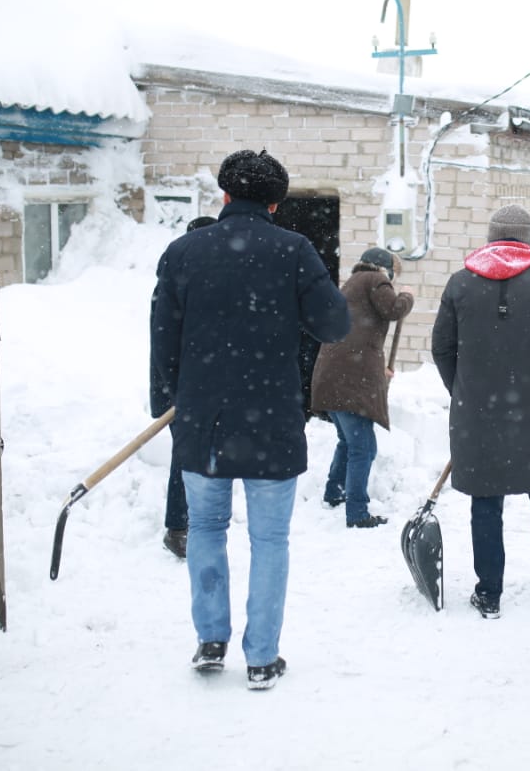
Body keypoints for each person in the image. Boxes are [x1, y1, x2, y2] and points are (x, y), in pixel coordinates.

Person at [150, 149, 350, 689]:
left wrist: (171, 403)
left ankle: (211, 640)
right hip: (271, 421)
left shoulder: (183, 252)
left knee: (207, 531)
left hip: (203, 421)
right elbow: (334, 324)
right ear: (276, 201)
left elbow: (162, 339)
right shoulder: (294, 250)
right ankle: (261, 656)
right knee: (269, 541)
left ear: (224, 195)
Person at [431, 203, 530, 619]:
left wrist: (464, 390)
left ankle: (489, 593)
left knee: (485, 500)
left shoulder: (460, 283)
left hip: (476, 413)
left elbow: (441, 348)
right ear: (529, 238)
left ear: (491, 235)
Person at [310, 247, 414, 528]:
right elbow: (393, 309)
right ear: (383, 268)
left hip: (333, 377)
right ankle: (357, 512)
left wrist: (375, 367)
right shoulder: (375, 279)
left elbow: (355, 336)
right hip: (350, 381)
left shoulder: (350, 285)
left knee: (349, 442)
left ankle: (335, 493)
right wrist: (406, 295)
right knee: (364, 447)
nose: (391, 279)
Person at [153, 214, 217, 559]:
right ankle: (177, 528)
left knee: (194, 457)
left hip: (182, 388)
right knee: (188, 458)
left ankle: (188, 522)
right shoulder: (178, 283)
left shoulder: (177, 277)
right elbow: (171, 344)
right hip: (181, 390)